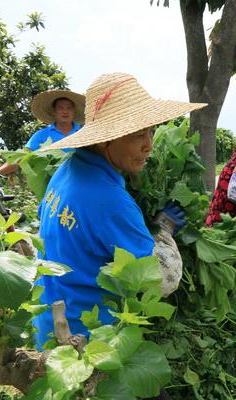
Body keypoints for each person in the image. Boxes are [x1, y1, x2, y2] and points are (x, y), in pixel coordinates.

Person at [32, 72, 206, 352]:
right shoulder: (110, 200)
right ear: (105, 140)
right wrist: (164, 229)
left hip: (48, 327)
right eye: (138, 135)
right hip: (87, 342)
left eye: (151, 131)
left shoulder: (65, 171)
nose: (149, 145)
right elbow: (162, 279)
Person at [0, 89, 85, 176]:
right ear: (54, 112)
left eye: (69, 108)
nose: (65, 111)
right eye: (60, 108)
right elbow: (22, 157)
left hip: (82, 179)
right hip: (52, 185)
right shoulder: (41, 135)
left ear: (74, 111)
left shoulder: (84, 133)